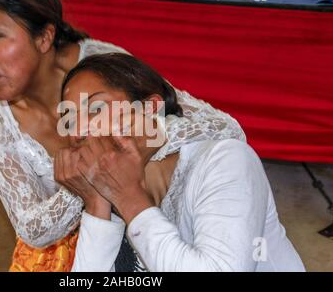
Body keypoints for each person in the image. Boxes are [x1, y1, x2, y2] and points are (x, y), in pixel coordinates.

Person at [0, 0, 245, 271]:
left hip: (141, 216)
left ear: (44, 37)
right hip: (73, 248)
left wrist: (126, 147)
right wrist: (86, 185)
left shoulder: (101, 64)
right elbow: (32, 229)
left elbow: (223, 126)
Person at [57, 53, 305, 272]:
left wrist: (128, 198)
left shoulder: (226, 161)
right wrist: (97, 205)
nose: (78, 131)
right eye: (68, 120)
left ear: (150, 109)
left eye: (96, 108)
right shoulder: (109, 196)